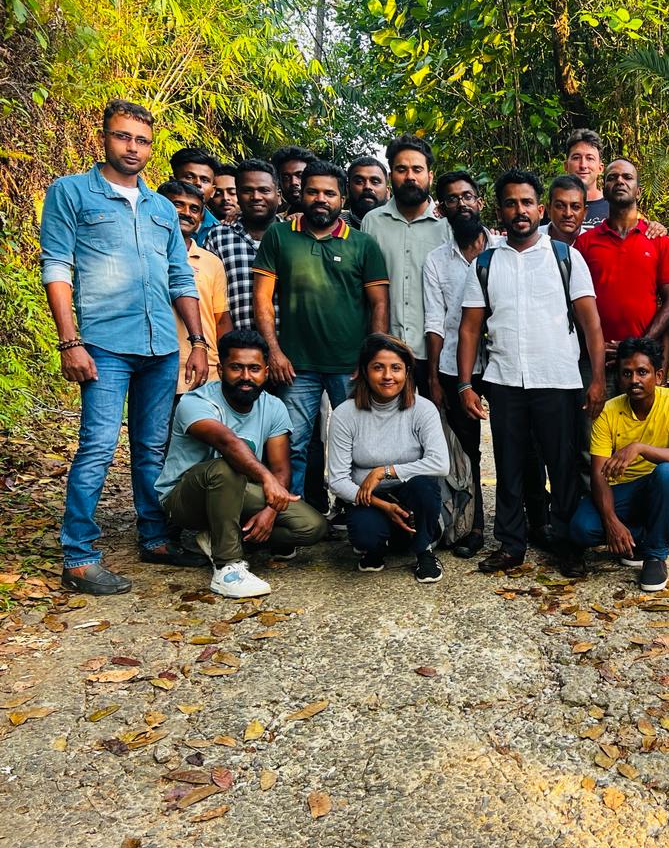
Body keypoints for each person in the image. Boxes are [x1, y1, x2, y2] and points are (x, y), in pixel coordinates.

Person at [40, 99, 210, 595]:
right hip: (104, 344)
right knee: (97, 446)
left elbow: (180, 276)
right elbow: (57, 266)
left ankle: (154, 538)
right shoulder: (71, 192)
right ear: (104, 137)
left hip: (162, 347)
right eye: (123, 136)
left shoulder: (161, 208)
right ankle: (79, 556)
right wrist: (70, 341)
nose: (133, 148)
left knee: (152, 447)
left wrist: (198, 341)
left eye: (142, 140)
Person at [456, 169, 606, 575]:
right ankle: (511, 544)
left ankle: (568, 546)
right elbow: (469, 328)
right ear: (500, 211)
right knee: (510, 467)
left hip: (558, 380)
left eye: (526, 202)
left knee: (563, 468)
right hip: (505, 382)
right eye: (511, 203)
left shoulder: (565, 258)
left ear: (540, 209)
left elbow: (591, 323)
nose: (519, 210)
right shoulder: (485, 264)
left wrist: (596, 380)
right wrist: (466, 384)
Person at [252, 159, 390, 497]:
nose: (320, 199)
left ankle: (358, 514)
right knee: (292, 445)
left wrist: (371, 360)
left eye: (329, 193)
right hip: (295, 366)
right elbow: (262, 299)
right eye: (313, 192)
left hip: (350, 366)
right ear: (301, 194)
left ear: (342, 198)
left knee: (360, 444)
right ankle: (292, 517)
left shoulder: (363, 244)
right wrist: (274, 352)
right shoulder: (279, 236)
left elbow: (379, 305)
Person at [156, 329, 328, 598]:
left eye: (254, 369)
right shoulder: (195, 402)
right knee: (227, 468)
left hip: (236, 493)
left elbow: (281, 469)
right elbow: (228, 444)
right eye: (236, 367)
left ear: (266, 372)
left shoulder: (273, 407)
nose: (246, 376)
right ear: (221, 369)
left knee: (311, 526)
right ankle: (227, 568)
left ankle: (219, 537)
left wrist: (270, 511)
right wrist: (267, 479)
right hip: (185, 499)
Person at [570, 337, 669, 592]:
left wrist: (639, 448)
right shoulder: (608, 411)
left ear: (658, 376)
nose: (634, 380)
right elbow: (599, 474)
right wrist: (611, 522)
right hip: (622, 491)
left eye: (642, 372)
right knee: (581, 529)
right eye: (627, 373)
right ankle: (638, 537)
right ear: (619, 378)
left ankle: (655, 555)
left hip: (657, 487)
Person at [327, 334, 449, 583]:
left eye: (396, 368)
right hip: (370, 499)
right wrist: (382, 505)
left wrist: (383, 471)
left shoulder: (423, 409)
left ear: (407, 372)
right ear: (364, 371)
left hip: (411, 496)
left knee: (424, 486)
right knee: (365, 537)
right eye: (378, 367)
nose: (387, 376)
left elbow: (440, 463)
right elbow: (337, 480)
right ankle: (376, 546)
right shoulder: (345, 414)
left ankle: (423, 549)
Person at [423, 170, 494, 558]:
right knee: (467, 451)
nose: (461, 204)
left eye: (467, 196)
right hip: (454, 366)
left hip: (502, 363)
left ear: (478, 202)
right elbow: (435, 321)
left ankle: (529, 523)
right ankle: (472, 526)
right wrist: (434, 377)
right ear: (442, 208)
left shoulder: (502, 250)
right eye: (452, 198)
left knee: (521, 446)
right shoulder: (436, 261)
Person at [575, 158, 669, 391]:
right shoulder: (585, 243)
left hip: (642, 363)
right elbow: (575, 304)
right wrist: (596, 345)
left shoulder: (658, 240)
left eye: (627, 177)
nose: (620, 181)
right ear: (604, 190)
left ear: (638, 191)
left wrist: (640, 345)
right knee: (595, 416)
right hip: (596, 361)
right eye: (612, 177)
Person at [361, 135, 450, 380]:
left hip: (437, 352)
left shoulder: (447, 225)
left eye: (417, 169)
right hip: (385, 352)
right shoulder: (373, 222)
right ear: (391, 176)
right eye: (402, 169)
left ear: (430, 175)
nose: (410, 176)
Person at [157, 180, 232, 395]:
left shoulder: (211, 262)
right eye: (177, 205)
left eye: (194, 209)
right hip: (155, 366)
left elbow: (221, 319)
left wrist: (225, 364)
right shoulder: (145, 254)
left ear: (200, 218)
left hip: (204, 367)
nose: (186, 213)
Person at [206, 159, 283, 332]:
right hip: (237, 342)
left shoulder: (294, 235)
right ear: (238, 196)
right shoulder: (219, 237)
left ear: (278, 195)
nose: (256, 197)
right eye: (247, 190)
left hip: (292, 343)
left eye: (264, 190)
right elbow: (210, 298)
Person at [170, 146, 221, 245]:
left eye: (204, 180)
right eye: (189, 177)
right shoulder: (153, 217)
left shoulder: (219, 230)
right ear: (172, 181)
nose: (197, 183)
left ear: (213, 191)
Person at [562, 128, 610, 228]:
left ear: (600, 168)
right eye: (576, 158)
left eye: (590, 158)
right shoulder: (554, 208)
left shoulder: (614, 209)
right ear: (566, 166)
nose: (583, 165)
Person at [342, 155, 389, 230]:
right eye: (359, 181)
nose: (367, 187)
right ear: (347, 189)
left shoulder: (402, 227)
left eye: (375, 182)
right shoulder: (331, 227)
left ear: (387, 192)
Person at [270, 145, 317, 215]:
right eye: (286, 178)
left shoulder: (331, 218)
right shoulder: (278, 219)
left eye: (300, 175)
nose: (293, 182)